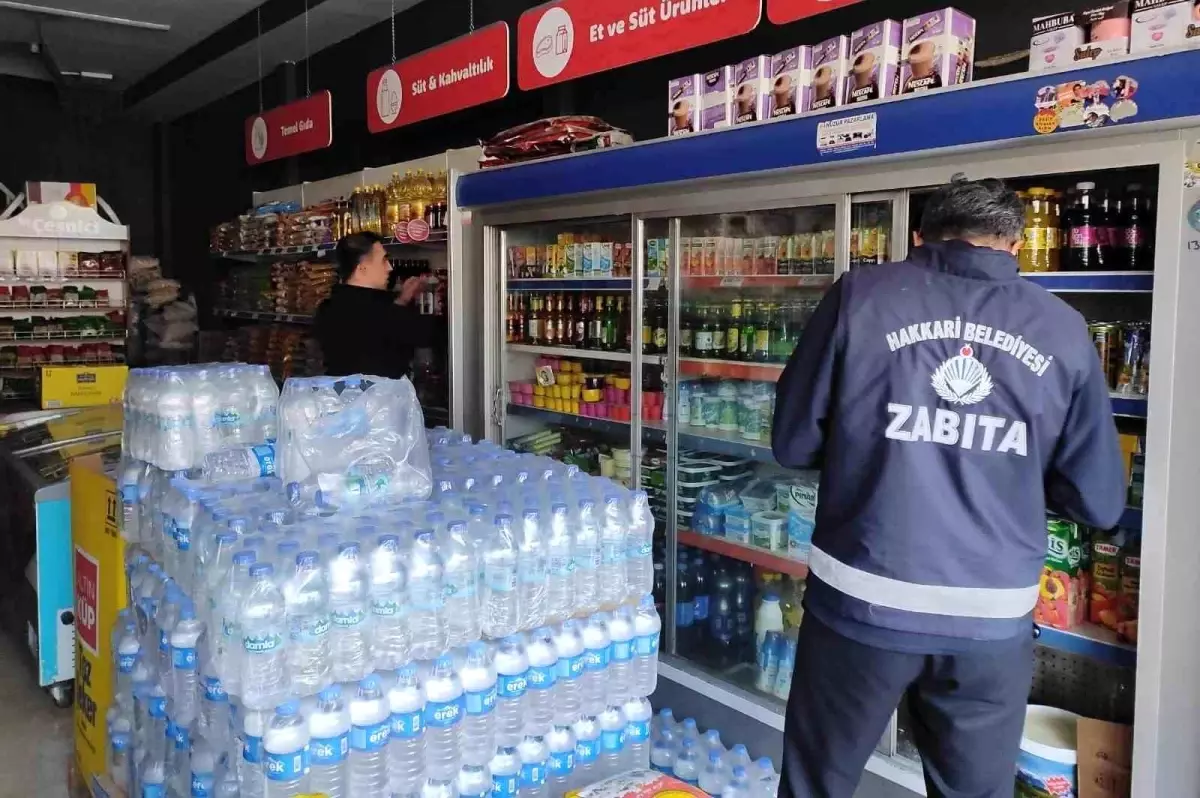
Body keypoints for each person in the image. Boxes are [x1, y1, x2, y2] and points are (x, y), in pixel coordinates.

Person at [771, 177, 1125, 798]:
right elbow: (1097, 500)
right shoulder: (1064, 329)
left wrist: (872, 444)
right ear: (1014, 244)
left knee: (816, 785)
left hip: (862, 604)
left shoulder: (860, 296)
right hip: (989, 622)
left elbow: (793, 443)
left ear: (918, 237)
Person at [315, 231, 431, 378]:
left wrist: (401, 301)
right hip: (381, 399)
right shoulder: (381, 312)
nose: (389, 267)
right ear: (362, 268)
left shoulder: (326, 308)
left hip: (341, 397)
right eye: (383, 260)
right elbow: (429, 334)